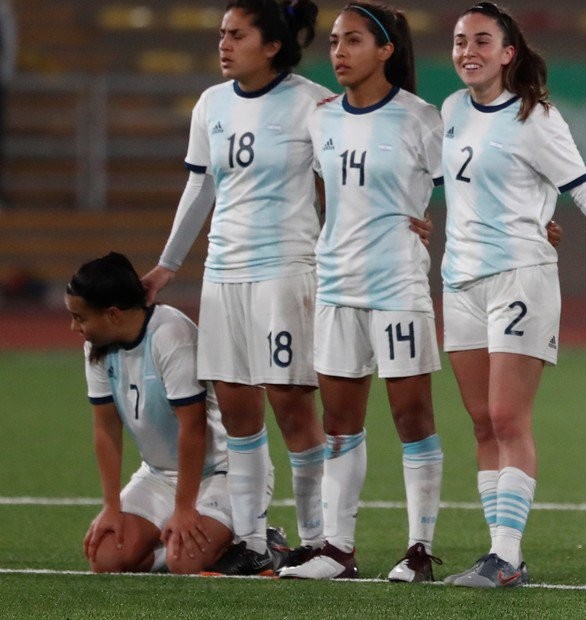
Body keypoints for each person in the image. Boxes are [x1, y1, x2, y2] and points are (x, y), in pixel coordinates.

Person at [439, 2, 586, 588]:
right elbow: (445, 179)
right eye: (458, 41)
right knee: (479, 422)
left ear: (508, 52)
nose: (467, 51)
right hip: (458, 280)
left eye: (481, 41)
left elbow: (582, 185)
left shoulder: (535, 115)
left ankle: (507, 554)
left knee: (505, 416)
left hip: (519, 274)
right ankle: (499, 554)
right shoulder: (449, 111)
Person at [142, 0, 328, 575]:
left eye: (237, 34)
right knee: (241, 415)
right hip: (224, 275)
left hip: (286, 271)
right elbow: (200, 188)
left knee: (293, 408)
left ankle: (319, 542)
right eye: (222, 33)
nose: (223, 44)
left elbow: (345, 182)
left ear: (271, 45)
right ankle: (251, 539)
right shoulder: (211, 103)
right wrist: (168, 265)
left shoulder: (313, 103)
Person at [277, 1, 445, 582]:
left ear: (386, 51)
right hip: (337, 286)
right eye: (333, 42)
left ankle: (419, 550)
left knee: (411, 414)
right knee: (340, 420)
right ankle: (337, 550)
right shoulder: (321, 117)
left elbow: (467, 189)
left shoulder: (421, 119)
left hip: (397, 284)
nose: (339, 52)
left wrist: (434, 225)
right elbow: (328, 196)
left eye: (353, 41)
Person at [69, 252, 234, 575]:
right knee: (107, 559)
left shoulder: (170, 334)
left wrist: (184, 508)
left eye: (80, 317)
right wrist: (112, 507)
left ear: (113, 314)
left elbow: (193, 428)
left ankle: (259, 543)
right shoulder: (97, 347)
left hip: (219, 473)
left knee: (185, 562)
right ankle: (178, 547)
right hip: (158, 476)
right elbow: (106, 429)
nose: (74, 326)